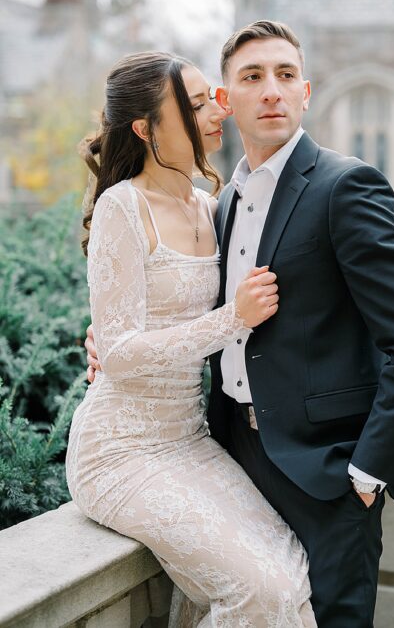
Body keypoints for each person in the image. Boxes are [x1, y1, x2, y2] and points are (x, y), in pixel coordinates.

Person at [87, 21, 394, 627]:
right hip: (227, 450)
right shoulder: (219, 204)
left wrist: (368, 470)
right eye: (252, 78)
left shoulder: (347, 186)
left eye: (286, 76)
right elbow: (168, 305)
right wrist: (107, 342)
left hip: (327, 471)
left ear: (307, 92)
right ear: (227, 103)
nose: (272, 91)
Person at [68, 51, 317, 626]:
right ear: (146, 128)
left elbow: (135, 333)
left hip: (190, 441)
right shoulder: (122, 207)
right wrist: (234, 318)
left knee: (287, 572)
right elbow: (123, 356)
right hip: (120, 453)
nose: (219, 113)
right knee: (260, 591)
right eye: (198, 104)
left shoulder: (213, 207)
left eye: (213, 98)